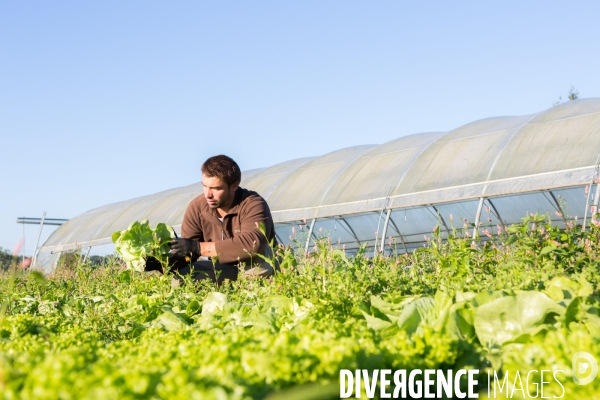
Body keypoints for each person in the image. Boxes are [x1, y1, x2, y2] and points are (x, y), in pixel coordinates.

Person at [168, 155, 277, 285]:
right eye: (205, 186)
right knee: (181, 279)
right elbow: (188, 252)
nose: (208, 194)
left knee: (254, 274)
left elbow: (252, 244)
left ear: (234, 186)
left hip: (259, 263)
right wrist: (164, 262)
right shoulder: (197, 207)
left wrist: (199, 247)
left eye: (216, 188)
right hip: (225, 267)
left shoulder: (252, 203)